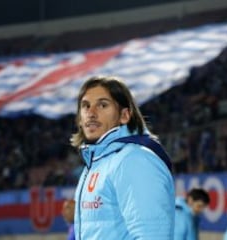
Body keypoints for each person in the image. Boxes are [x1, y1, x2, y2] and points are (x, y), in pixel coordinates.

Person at [70, 76, 175, 240]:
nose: (91, 113)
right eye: (85, 106)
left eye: (102, 105)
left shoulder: (135, 160)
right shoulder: (95, 164)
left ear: (124, 115)